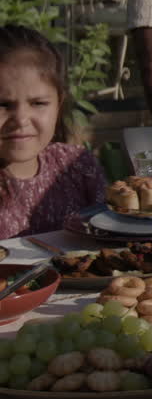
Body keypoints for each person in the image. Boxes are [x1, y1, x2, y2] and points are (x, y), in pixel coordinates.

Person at [0, 26, 106, 239]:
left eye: (38, 103)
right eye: (3, 104)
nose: (21, 119)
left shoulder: (76, 166)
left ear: (59, 104)